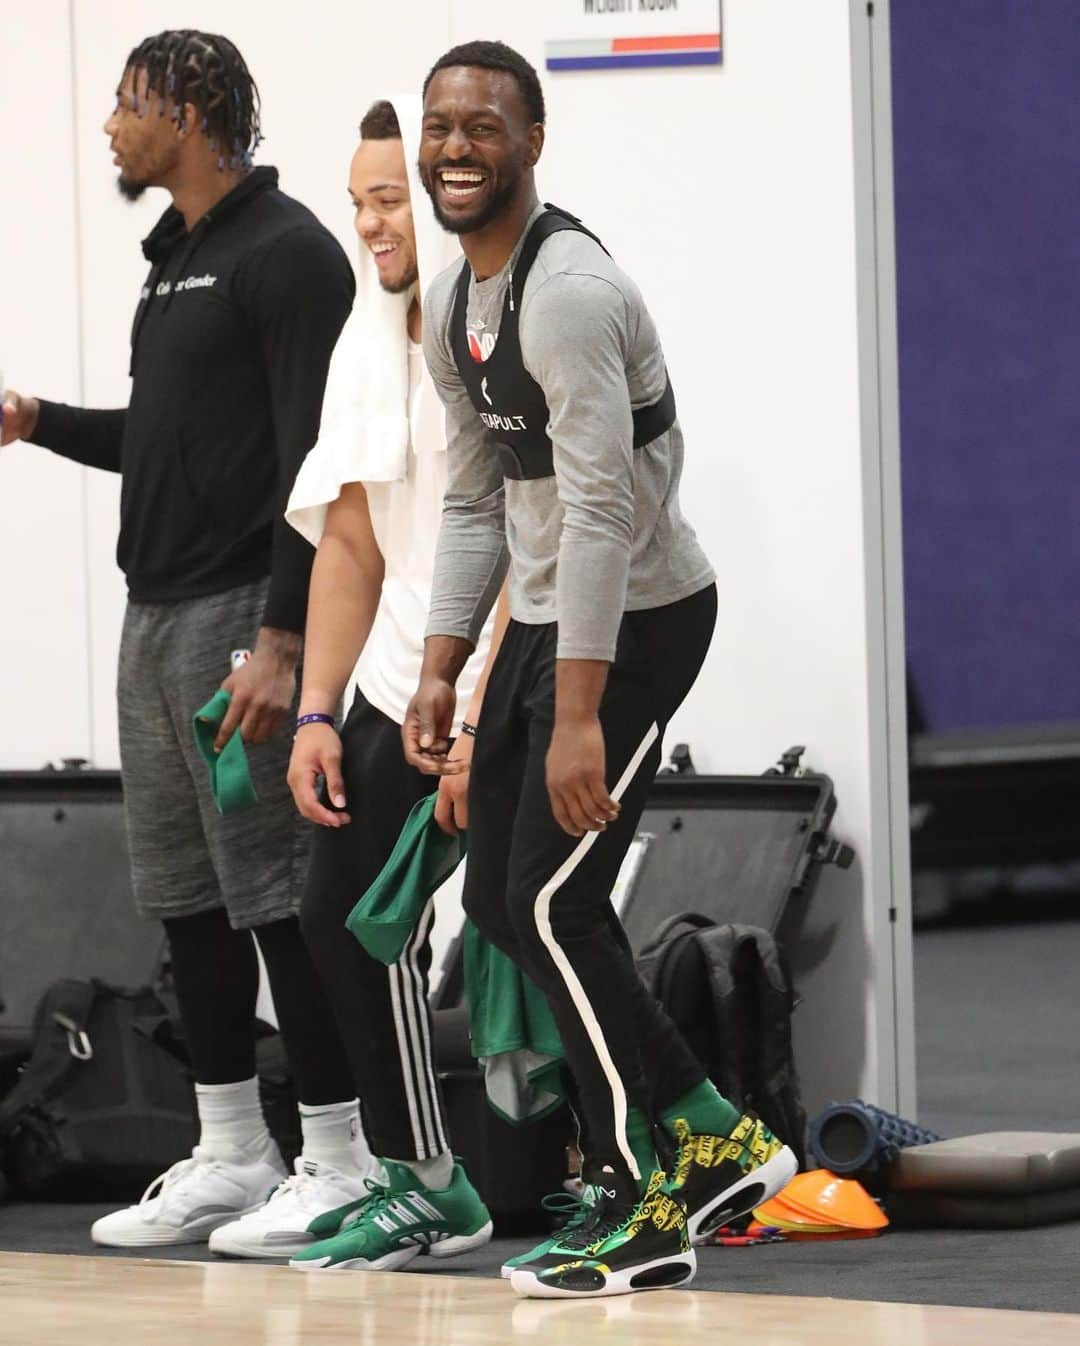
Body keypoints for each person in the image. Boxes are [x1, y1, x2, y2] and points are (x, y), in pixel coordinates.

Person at [405, 41, 798, 1299]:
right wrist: (440, 668)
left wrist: (577, 714)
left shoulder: (567, 293)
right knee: (511, 904)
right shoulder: (454, 306)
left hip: (639, 616)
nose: (456, 148)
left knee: (561, 902)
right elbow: (479, 498)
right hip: (544, 615)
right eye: (441, 126)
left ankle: (644, 1205)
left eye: (484, 127)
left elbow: (597, 513)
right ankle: (715, 1130)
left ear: (532, 141)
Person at [1, 30, 372, 1250]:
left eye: (128, 102)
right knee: (185, 899)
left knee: (272, 894)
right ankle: (230, 1147)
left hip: (236, 621)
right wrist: (36, 420)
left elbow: (316, 466)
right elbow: (162, 441)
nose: (111, 124)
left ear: (194, 109)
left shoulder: (291, 255)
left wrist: (279, 637)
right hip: (151, 615)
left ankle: (341, 1156)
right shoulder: (175, 262)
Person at [207, 96, 498, 1270]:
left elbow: (537, 537)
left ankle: (629, 1168)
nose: (373, 222)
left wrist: (482, 708)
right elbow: (350, 542)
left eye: (389, 200)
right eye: (362, 200)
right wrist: (317, 710)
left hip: (492, 665)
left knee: (533, 923)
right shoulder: (368, 333)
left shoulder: (490, 323)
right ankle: (419, 1176)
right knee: (341, 918)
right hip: (390, 674)